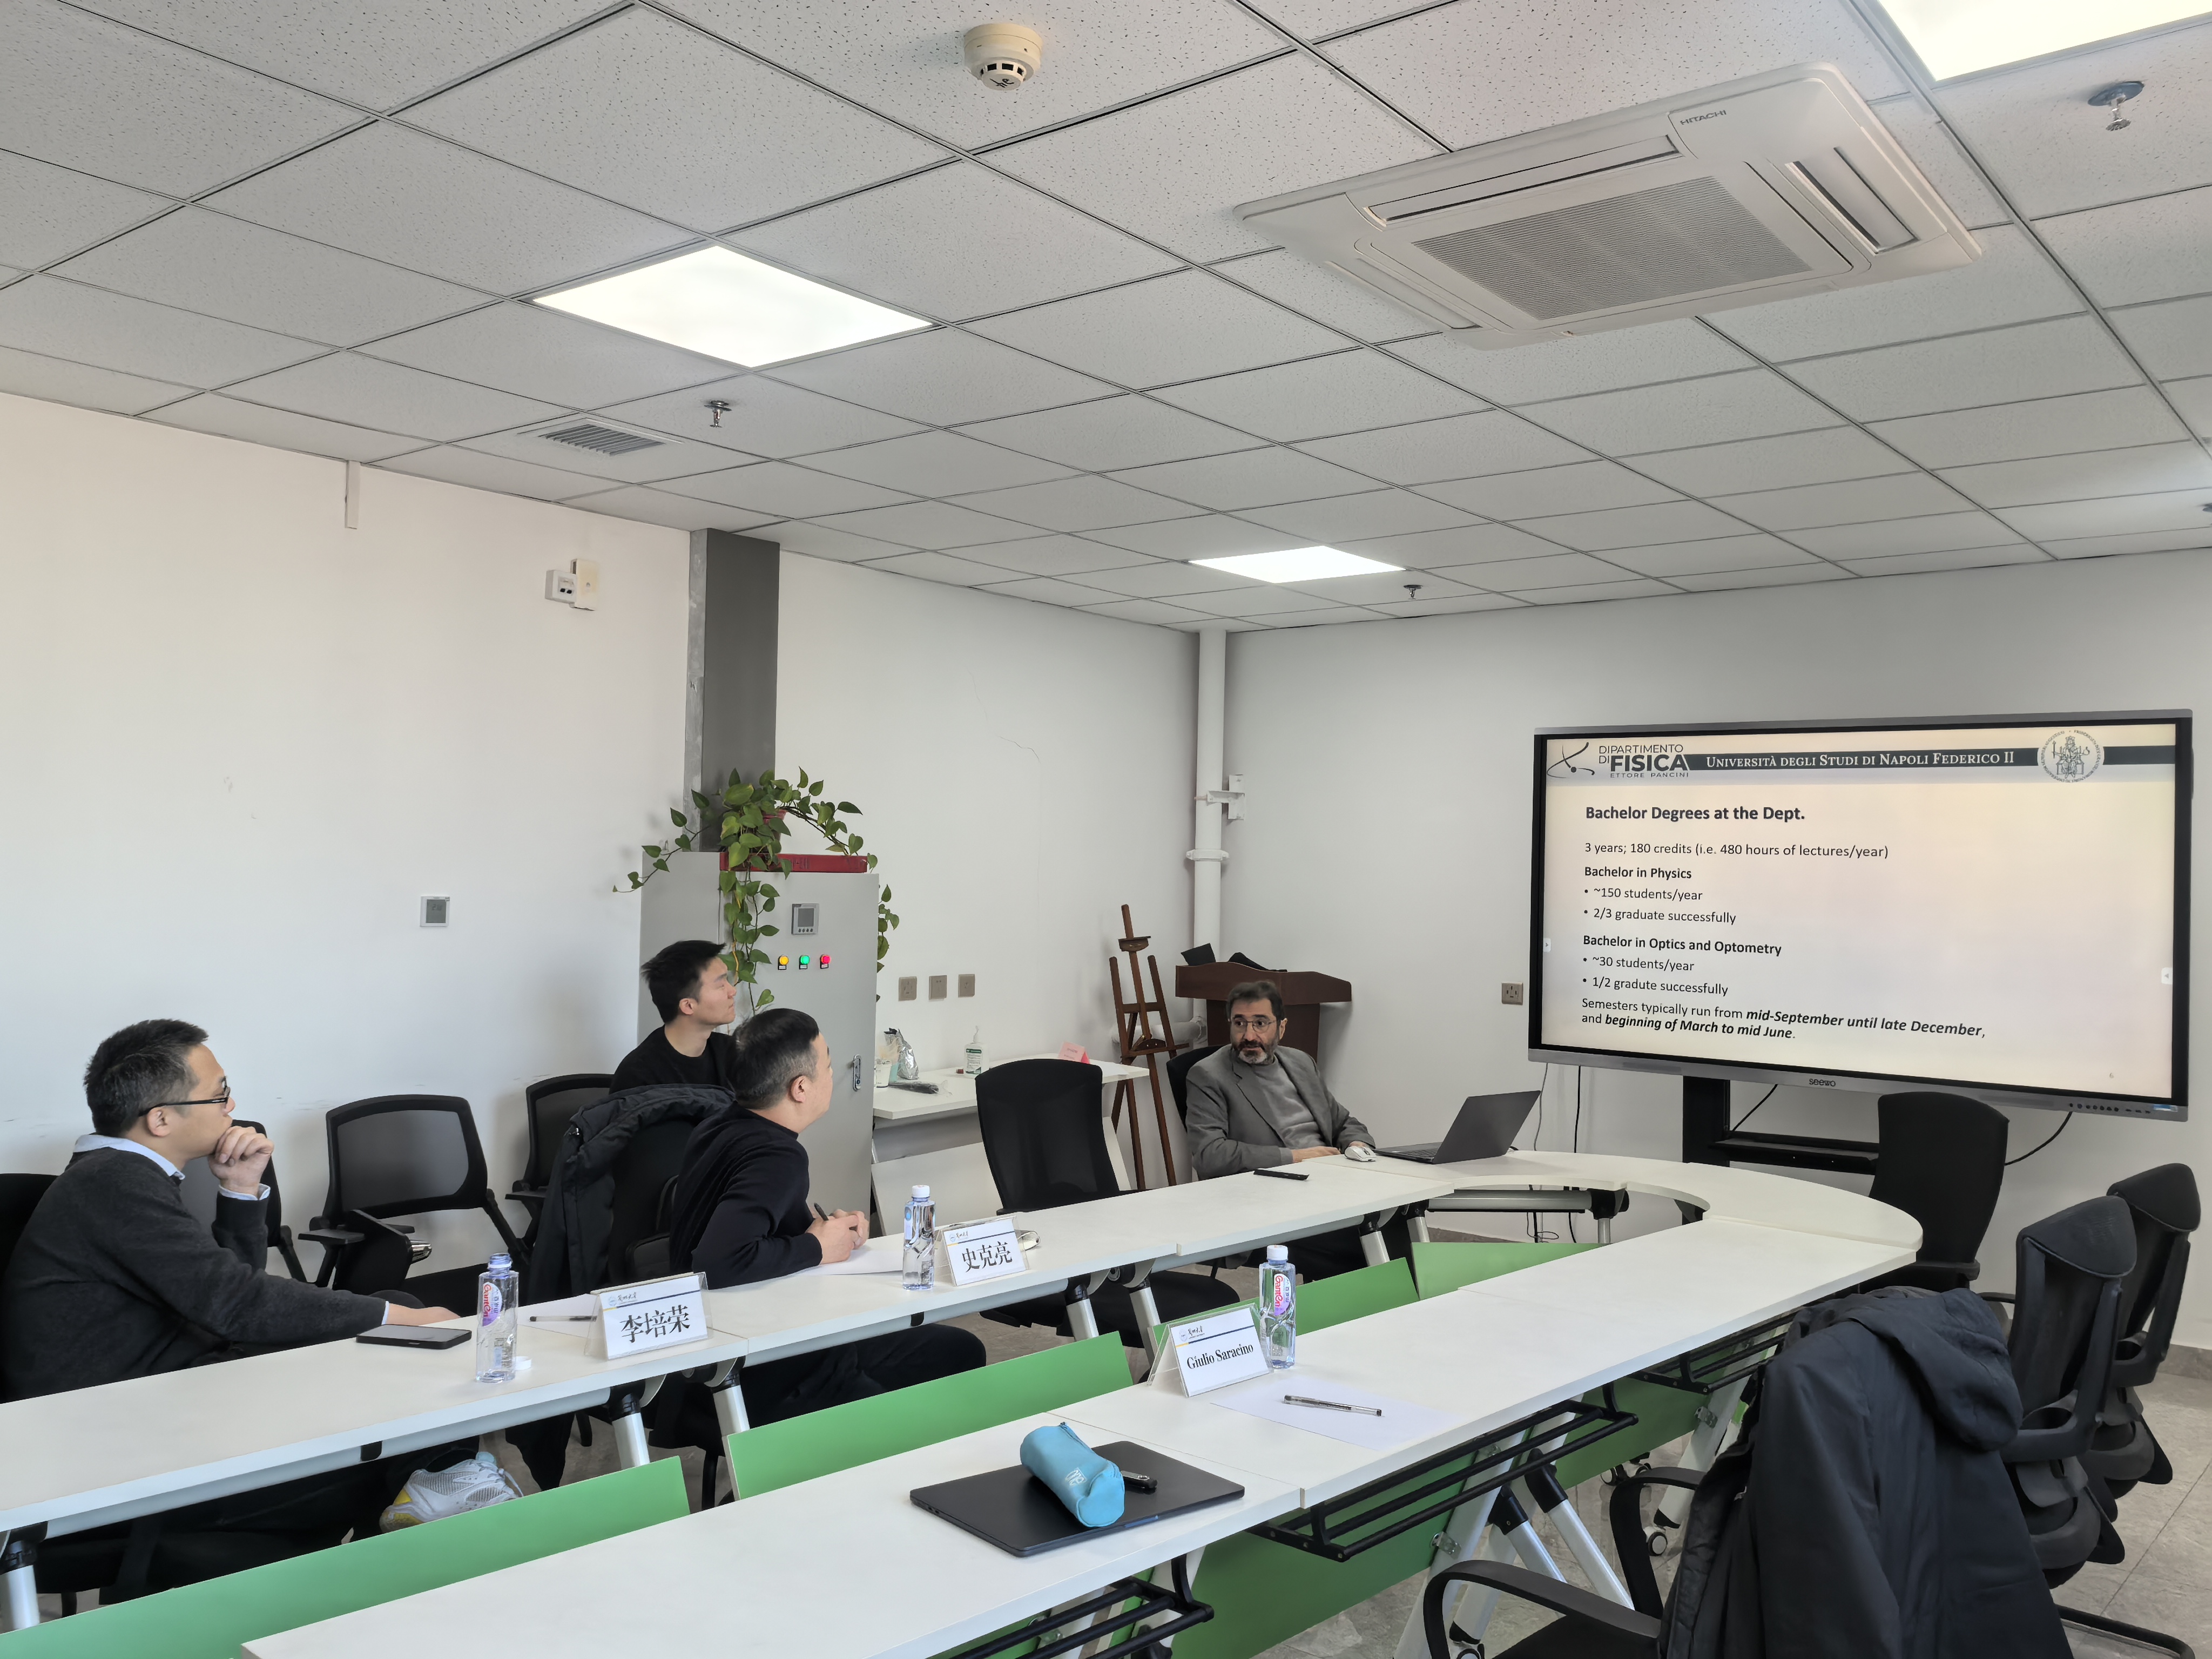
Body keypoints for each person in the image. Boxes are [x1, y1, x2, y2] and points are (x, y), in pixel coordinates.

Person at [0, 1020, 467, 1563]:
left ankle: (440, 1485)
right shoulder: (112, 1182)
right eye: (219, 1093)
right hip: (127, 1460)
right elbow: (237, 1304)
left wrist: (242, 1188)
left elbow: (221, 1297)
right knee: (386, 1424)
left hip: (181, 1404)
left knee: (395, 1342)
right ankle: (440, 1492)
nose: (232, 1106)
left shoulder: (119, 1174)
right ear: (161, 1119)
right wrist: (390, 1316)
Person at [666, 1007, 983, 1424]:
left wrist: (822, 1232)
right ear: (801, 1087)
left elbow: (747, 1225)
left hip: (720, 1348)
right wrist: (815, 1247)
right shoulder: (778, 1156)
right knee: (921, 1399)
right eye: (829, 1066)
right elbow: (717, 1262)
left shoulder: (719, 1126)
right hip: (767, 1363)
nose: (834, 1075)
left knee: (959, 1349)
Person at [1182, 980, 1403, 1280]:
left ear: (1281, 1027)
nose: (1249, 1035)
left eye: (1261, 1023)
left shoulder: (1300, 1062)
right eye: (1239, 1023)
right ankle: (1354, 1306)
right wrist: (1296, 1157)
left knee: (1398, 1216)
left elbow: (1343, 1122)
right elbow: (1210, 1155)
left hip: (1330, 1181)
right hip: (1270, 1198)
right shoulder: (1208, 1075)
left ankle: (1405, 1303)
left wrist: (1357, 1147)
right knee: (1358, 1240)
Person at [611, 939, 739, 1092]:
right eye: (721, 986)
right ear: (688, 1006)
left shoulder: (732, 1053)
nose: (733, 991)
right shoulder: (639, 1076)